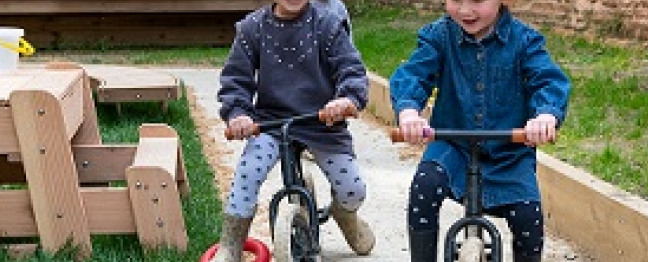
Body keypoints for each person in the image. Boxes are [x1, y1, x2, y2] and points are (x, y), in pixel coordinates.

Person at [388, 0, 571, 261]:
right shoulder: (439, 37)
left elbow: (548, 80)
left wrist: (545, 115)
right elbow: (414, 74)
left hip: (509, 154)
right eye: (456, 0)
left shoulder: (525, 41)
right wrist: (408, 112)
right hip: (453, 148)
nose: (464, 10)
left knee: (529, 217)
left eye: (476, 0)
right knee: (425, 184)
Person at [213, 0, 374, 261]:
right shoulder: (252, 28)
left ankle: (345, 215)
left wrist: (347, 99)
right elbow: (235, 80)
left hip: (323, 122)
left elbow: (351, 68)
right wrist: (238, 113)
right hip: (271, 123)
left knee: (352, 190)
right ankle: (231, 245)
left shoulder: (328, 24)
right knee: (247, 174)